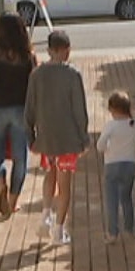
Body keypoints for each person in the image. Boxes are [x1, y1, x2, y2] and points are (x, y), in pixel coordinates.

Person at [24, 30, 89, 245]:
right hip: (68, 137)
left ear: (49, 50)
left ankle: (45, 215)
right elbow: (79, 110)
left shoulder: (37, 75)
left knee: (49, 175)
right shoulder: (73, 75)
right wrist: (83, 137)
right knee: (65, 183)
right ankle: (60, 230)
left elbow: (30, 108)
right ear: (67, 50)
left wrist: (30, 137)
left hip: (46, 137)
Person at [0, 13, 37, 220]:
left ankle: (0, 183)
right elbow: (35, 84)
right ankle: (12, 202)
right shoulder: (28, 55)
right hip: (20, 111)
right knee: (20, 159)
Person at [96, 91, 135, 244]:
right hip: (129, 165)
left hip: (112, 165)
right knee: (126, 198)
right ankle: (130, 227)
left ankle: (113, 232)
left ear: (112, 109)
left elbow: (100, 145)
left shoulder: (110, 126)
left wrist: (108, 148)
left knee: (112, 200)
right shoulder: (133, 124)